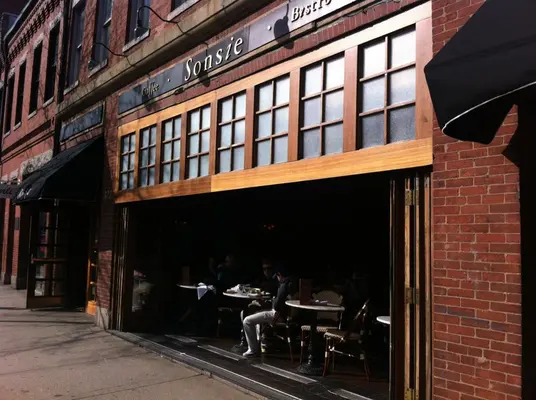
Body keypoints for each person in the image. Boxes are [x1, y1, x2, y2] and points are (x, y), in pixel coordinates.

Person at [242, 264, 295, 358]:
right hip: (288, 315)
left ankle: (253, 350)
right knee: (255, 314)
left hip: (278, 315)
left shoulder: (284, 285)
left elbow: (277, 306)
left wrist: (272, 302)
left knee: (247, 321)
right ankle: (261, 343)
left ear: (279, 275)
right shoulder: (295, 284)